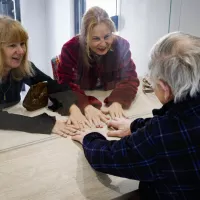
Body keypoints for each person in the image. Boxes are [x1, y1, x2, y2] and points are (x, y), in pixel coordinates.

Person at [71, 32, 200, 199]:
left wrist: (89, 137)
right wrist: (135, 126)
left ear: (164, 88)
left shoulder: (161, 135)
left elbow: (109, 157)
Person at [0, 16, 83, 137]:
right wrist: (44, 124)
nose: (21, 51)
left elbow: (51, 85)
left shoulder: (24, 67)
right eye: (12, 45)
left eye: (22, 44)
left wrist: (73, 108)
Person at [57, 6, 139, 128]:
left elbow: (130, 78)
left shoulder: (121, 45)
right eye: (95, 39)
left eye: (107, 36)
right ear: (85, 38)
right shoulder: (70, 49)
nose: (103, 43)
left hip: (110, 95)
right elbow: (64, 84)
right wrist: (85, 105)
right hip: (84, 97)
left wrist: (118, 100)